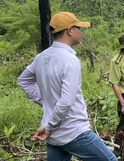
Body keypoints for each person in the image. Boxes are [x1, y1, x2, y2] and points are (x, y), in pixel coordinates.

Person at [18, 12, 117, 161]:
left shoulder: (41, 57)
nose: (81, 32)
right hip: (74, 132)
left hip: (54, 136)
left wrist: (44, 101)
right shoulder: (70, 60)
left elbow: (23, 80)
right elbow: (65, 102)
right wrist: (49, 124)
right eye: (78, 28)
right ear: (70, 30)